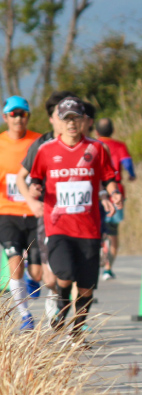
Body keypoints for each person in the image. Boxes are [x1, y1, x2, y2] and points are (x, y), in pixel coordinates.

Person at [29, 97, 122, 344]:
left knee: (86, 286)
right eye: (66, 118)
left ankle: (77, 331)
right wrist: (34, 192)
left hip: (89, 228)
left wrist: (114, 193)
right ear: (59, 121)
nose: (71, 124)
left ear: (84, 121)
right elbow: (35, 179)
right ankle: (61, 301)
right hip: (58, 225)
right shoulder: (46, 150)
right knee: (65, 274)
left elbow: (109, 176)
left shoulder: (96, 149)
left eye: (76, 118)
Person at [17, 91, 77, 324]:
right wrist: (32, 199)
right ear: (53, 117)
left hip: (79, 218)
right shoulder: (41, 144)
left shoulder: (86, 144)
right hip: (49, 216)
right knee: (50, 277)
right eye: (60, 115)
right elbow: (23, 177)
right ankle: (56, 297)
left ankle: (78, 322)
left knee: (76, 272)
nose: (66, 120)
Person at [0, 96, 42, 330]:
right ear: (5, 117)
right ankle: (25, 315)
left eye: (23, 114)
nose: (18, 118)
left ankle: (33, 279)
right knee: (15, 262)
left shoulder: (38, 141)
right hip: (6, 212)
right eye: (13, 114)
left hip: (34, 212)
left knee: (35, 271)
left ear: (28, 117)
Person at [94, 117, 136, 280]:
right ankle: (108, 268)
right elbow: (127, 163)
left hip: (97, 191)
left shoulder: (93, 145)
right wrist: (132, 175)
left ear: (96, 131)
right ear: (113, 131)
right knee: (113, 232)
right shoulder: (119, 146)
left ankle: (97, 254)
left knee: (96, 227)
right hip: (116, 190)